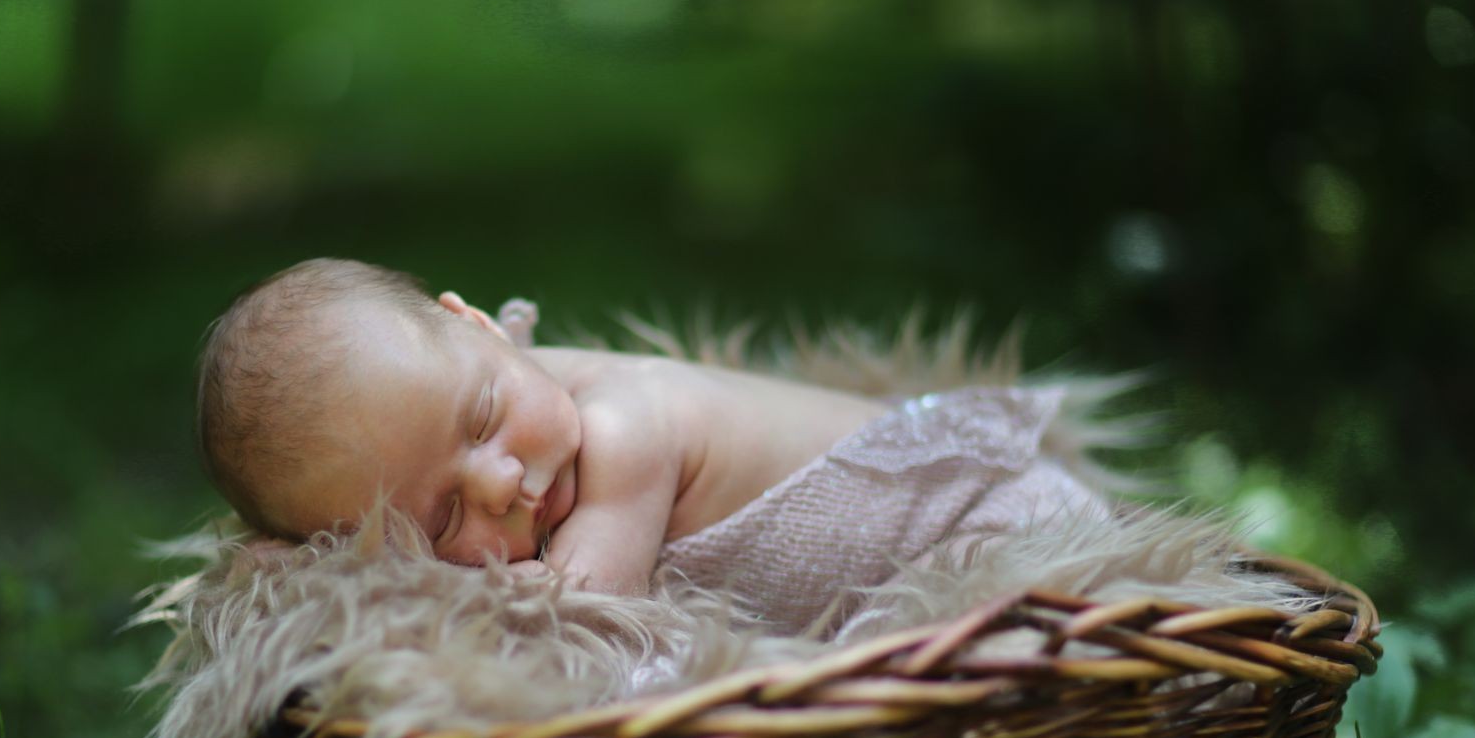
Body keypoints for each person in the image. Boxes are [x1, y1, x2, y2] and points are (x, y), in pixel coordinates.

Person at [196, 258, 1105, 630]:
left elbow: (571, 621)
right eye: (439, 519)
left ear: (479, 327)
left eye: (482, 420)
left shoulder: (630, 427)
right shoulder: (482, 400)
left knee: (965, 681)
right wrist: (327, 565)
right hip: (945, 541)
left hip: (997, 523)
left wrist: (330, 582)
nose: (505, 481)